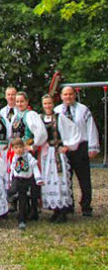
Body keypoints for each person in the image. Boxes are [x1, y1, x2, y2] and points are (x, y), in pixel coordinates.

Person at [54, 85, 100, 216]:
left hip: (80, 146)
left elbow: (91, 128)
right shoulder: (57, 111)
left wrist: (93, 147)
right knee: (66, 178)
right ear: (61, 96)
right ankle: (68, 205)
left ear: (74, 95)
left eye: (70, 94)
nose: (68, 97)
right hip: (64, 148)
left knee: (84, 178)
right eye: (65, 94)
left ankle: (86, 206)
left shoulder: (83, 110)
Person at [40, 94, 81, 222]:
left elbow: (74, 130)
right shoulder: (39, 118)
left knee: (59, 180)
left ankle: (62, 211)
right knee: (48, 180)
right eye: (45, 103)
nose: (47, 106)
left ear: (53, 104)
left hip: (57, 153)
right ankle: (55, 210)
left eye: (49, 103)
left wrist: (67, 146)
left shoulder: (60, 117)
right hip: (46, 154)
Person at [8, 138, 43, 230]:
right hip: (18, 179)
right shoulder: (14, 157)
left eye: (20, 147)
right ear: (13, 149)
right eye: (16, 148)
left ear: (24, 147)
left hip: (28, 179)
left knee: (30, 197)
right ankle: (21, 219)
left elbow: (35, 167)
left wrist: (38, 179)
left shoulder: (28, 157)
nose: (19, 149)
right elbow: (12, 169)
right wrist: (11, 181)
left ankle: (31, 214)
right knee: (21, 199)